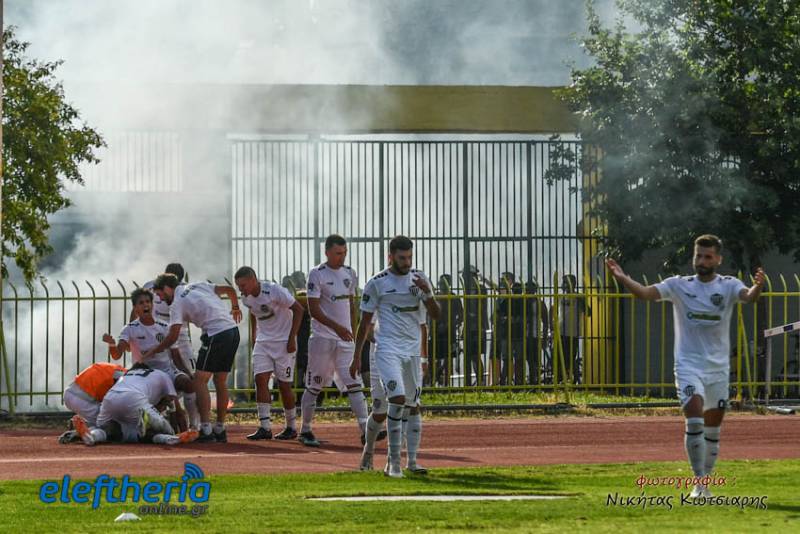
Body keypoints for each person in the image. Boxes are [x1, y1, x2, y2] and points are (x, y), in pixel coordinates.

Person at [605, 234, 764, 498]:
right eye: (698, 255)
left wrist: (758, 286)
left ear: (718, 259)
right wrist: (623, 278)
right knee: (694, 415)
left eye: (707, 256)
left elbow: (749, 297)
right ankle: (698, 482)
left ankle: (707, 483)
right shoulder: (678, 285)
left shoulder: (728, 285)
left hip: (718, 369)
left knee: (713, 429)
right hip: (689, 365)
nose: (701, 260)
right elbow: (645, 294)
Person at [350, 235, 440, 478]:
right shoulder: (377, 283)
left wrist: (428, 293)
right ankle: (383, 458)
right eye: (402, 258)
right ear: (390, 257)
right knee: (390, 403)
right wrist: (356, 357)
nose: (407, 262)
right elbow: (364, 323)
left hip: (411, 352)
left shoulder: (419, 279)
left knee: (413, 405)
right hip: (386, 350)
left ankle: (411, 461)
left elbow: (434, 315)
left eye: (410, 257)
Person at [148, 274, 242, 443]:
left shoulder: (177, 302)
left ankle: (206, 429)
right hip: (233, 331)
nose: (161, 299)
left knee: (199, 381)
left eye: (161, 294)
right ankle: (220, 428)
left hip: (216, 334)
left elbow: (172, 336)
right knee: (220, 381)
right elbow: (229, 290)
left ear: (168, 288)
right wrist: (235, 307)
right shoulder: (198, 284)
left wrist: (153, 351)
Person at [299, 234, 367, 447]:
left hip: (345, 340)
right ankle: (306, 429)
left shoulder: (350, 273)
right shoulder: (316, 274)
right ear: (327, 252)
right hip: (322, 339)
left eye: (344, 252)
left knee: (354, 382)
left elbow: (352, 305)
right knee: (314, 385)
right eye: (338, 253)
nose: (342, 257)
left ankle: (366, 430)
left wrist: (353, 331)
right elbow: (314, 309)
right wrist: (337, 327)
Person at [103, 288, 197, 432]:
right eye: (141, 303)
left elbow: (176, 356)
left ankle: (194, 426)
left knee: (188, 384)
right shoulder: (129, 329)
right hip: (144, 376)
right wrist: (111, 344)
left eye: (148, 302)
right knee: (168, 424)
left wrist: (188, 374)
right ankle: (150, 422)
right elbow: (117, 355)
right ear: (135, 308)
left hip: (167, 372)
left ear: (152, 305)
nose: (145, 305)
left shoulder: (165, 327)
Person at [235, 266, 305, 440]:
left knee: (284, 385)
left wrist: (291, 338)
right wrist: (254, 335)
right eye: (238, 286)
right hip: (263, 342)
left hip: (283, 342)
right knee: (260, 379)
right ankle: (265, 426)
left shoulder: (274, 290)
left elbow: (298, 309)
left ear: (253, 280)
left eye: (243, 285)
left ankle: (291, 427)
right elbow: (253, 311)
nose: (240, 290)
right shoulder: (246, 298)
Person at [73, 362, 198, 446]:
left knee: (110, 431)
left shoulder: (127, 374)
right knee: (163, 429)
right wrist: (180, 428)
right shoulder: (162, 375)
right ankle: (172, 437)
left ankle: (91, 436)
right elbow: (174, 407)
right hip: (134, 399)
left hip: (109, 398)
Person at [141, 262, 199, 429]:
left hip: (180, 339)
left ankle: (193, 425)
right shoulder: (150, 287)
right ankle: (166, 413)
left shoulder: (184, 291)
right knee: (159, 377)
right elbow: (138, 308)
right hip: (157, 338)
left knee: (189, 380)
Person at [59, 362, 127, 444]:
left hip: (70, 392)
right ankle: (85, 433)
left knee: (101, 420)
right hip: (82, 399)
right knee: (108, 426)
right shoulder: (125, 378)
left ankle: (82, 427)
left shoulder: (119, 370)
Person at [554, 274, 589, 384]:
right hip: (560, 332)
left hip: (573, 333)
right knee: (559, 358)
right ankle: (559, 380)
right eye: (563, 282)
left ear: (573, 284)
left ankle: (571, 380)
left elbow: (588, 312)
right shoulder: (560, 297)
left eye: (566, 282)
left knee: (570, 358)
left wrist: (581, 300)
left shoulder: (578, 297)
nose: (563, 285)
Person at [429, 274, 462, 387]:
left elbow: (461, 316)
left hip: (450, 333)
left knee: (448, 358)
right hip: (436, 332)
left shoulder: (454, 298)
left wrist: (451, 324)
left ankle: (446, 383)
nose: (441, 285)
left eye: (444, 283)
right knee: (435, 358)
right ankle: (435, 380)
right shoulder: (435, 296)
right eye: (440, 283)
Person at [524, 281, 549, 385]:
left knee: (534, 359)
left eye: (528, 289)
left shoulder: (539, 303)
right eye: (525, 289)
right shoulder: (523, 302)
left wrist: (544, 337)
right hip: (525, 335)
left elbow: (546, 321)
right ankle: (532, 378)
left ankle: (535, 379)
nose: (526, 291)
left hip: (535, 335)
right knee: (528, 359)